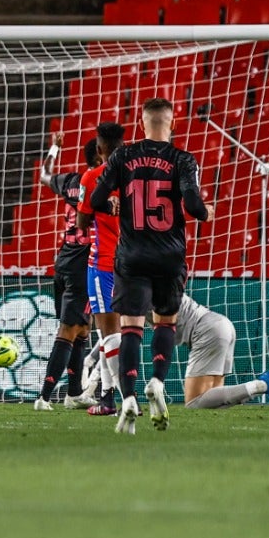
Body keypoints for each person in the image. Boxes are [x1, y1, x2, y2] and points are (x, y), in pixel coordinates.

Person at [88, 97, 208, 434]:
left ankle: (127, 398)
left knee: (130, 326)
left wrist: (113, 200)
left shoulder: (124, 155)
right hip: (169, 256)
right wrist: (206, 212)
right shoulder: (183, 158)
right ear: (172, 124)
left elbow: (96, 200)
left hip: (132, 256)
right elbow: (194, 205)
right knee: (165, 322)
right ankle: (156, 380)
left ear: (142, 124)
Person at [82, 294, 269, 409]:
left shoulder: (139, 296)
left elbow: (116, 336)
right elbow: (114, 335)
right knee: (214, 402)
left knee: (194, 402)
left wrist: (91, 366)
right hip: (221, 324)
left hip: (206, 332)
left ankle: (265, 384)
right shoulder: (158, 286)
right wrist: (90, 361)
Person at [33, 131, 97, 410]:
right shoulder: (101, 185)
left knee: (83, 329)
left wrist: (54, 149)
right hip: (84, 262)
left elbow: (45, 175)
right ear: (101, 156)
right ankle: (44, 396)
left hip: (64, 260)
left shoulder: (70, 181)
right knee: (69, 330)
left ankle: (74, 393)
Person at [76, 120, 124, 412]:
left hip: (104, 262)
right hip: (133, 263)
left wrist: (100, 205)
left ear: (99, 148)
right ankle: (106, 395)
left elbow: (82, 223)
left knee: (110, 336)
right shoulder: (134, 176)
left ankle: (122, 396)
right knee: (117, 335)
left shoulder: (92, 177)